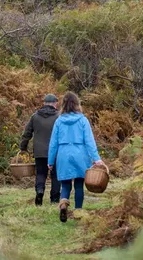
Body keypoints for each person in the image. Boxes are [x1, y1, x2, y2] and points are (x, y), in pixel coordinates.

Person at [48, 92, 105, 223]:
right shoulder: (83, 120)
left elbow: (53, 144)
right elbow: (89, 141)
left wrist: (50, 161)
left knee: (65, 184)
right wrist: (96, 158)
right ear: (77, 104)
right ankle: (78, 210)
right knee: (79, 184)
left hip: (63, 154)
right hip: (80, 154)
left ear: (63, 105)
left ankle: (63, 204)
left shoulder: (59, 121)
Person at [19, 94, 61, 206]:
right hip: (56, 152)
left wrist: (23, 147)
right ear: (55, 104)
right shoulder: (59, 117)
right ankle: (55, 199)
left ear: (44, 103)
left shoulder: (35, 116)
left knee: (41, 173)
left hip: (39, 152)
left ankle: (40, 191)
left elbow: (27, 133)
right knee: (56, 175)